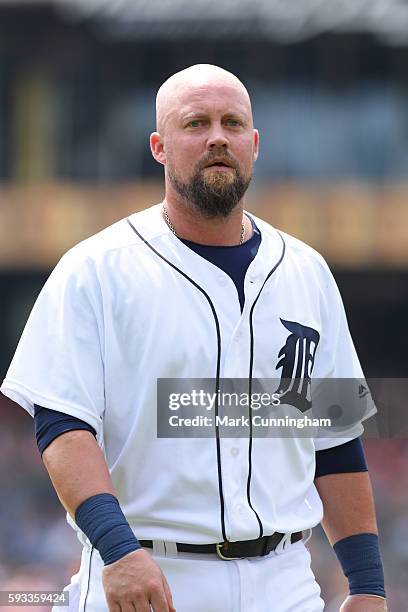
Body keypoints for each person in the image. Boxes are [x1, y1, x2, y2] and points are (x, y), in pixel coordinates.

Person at [1, 64, 387, 612]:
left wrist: (367, 585)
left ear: (254, 144)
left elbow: (335, 441)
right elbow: (63, 424)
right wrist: (118, 552)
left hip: (287, 581)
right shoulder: (97, 268)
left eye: (232, 124)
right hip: (153, 574)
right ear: (159, 146)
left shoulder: (307, 271)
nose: (216, 138)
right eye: (195, 123)